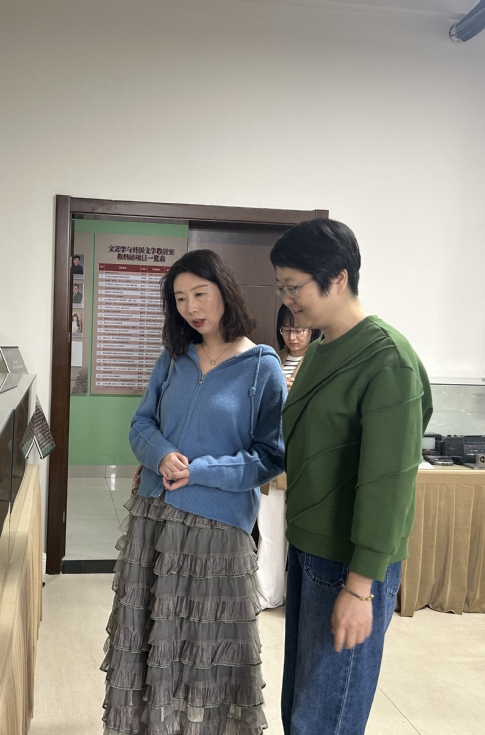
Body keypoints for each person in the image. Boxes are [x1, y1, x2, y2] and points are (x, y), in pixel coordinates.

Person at [101, 249, 286, 735]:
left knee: (209, 647)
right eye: (180, 299)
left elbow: (270, 456)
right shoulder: (173, 358)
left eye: (200, 294)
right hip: (154, 520)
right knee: (152, 639)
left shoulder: (261, 367)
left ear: (224, 291)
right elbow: (141, 424)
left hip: (217, 529)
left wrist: (200, 471)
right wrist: (160, 454)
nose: (191, 307)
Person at [269, 219, 432, 735]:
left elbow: (389, 481)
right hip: (308, 549)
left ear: (337, 278)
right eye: (281, 287)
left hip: (350, 563)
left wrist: (360, 589)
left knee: (326, 716)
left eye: (294, 286)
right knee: (302, 707)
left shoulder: (388, 359)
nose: (287, 300)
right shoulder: (319, 349)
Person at [256, 305, 320, 610]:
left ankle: (302, 597)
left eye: (299, 330)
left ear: (312, 329)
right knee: (269, 528)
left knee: (304, 533)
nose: (292, 337)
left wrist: (301, 392)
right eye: (286, 329)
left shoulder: (321, 359)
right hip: (273, 455)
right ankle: (268, 593)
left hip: (305, 458)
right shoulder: (272, 359)